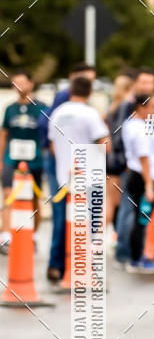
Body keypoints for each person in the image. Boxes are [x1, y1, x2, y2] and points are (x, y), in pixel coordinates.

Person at [47, 77, 109, 279]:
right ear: (89, 92)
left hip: (63, 177)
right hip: (89, 177)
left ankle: (58, 266)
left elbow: (53, 146)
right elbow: (104, 142)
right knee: (89, 224)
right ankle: (85, 269)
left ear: (70, 91)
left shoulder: (58, 113)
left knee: (62, 223)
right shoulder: (90, 114)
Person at [39, 62, 96, 279]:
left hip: (66, 165)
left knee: (67, 215)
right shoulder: (66, 97)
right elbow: (47, 127)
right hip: (63, 166)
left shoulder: (72, 98)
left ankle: (64, 266)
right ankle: (60, 265)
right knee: (63, 214)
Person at [0, 70, 47, 254]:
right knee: (8, 194)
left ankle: (32, 235)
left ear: (31, 84)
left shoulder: (42, 107)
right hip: (12, 158)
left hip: (34, 160)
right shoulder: (10, 109)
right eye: (15, 83)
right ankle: (6, 236)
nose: (19, 86)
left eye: (22, 82)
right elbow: (4, 135)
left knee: (34, 197)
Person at [114, 68, 154, 265]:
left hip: (147, 168)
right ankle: (125, 252)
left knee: (139, 213)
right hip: (133, 168)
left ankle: (134, 251)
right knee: (129, 212)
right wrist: (124, 163)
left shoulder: (153, 105)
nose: (148, 86)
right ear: (137, 84)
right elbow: (119, 137)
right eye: (144, 82)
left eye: (151, 82)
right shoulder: (130, 106)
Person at [121, 94, 154, 274]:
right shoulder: (139, 129)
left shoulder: (134, 125)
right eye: (152, 108)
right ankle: (136, 259)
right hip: (143, 178)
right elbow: (144, 158)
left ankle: (138, 256)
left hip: (142, 177)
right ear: (141, 107)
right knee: (141, 220)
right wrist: (149, 185)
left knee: (141, 220)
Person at [104, 70, 134, 232]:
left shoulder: (112, 106)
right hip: (121, 157)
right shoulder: (128, 105)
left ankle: (104, 234)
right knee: (121, 200)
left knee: (109, 198)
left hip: (109, 157)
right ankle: (113, 233)